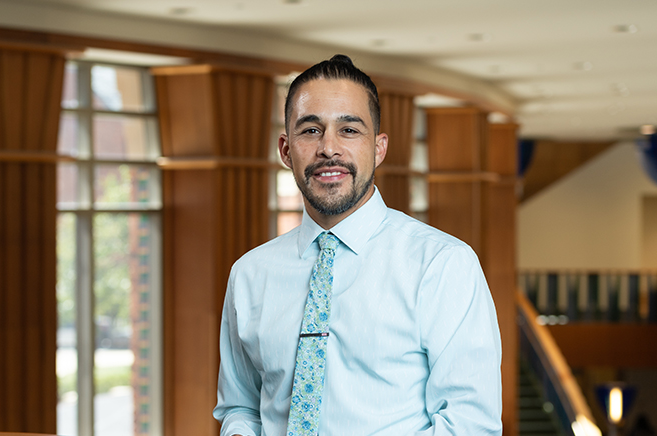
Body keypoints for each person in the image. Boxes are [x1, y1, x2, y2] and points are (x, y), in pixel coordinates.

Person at [213, 54, 502, 435]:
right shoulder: (250, 274)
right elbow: (239, 406)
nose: (329, 148)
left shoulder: (443, 265)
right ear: (286, 149)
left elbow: (470, 424)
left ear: (379, 148)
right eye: (310, 130)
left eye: (349, 130)